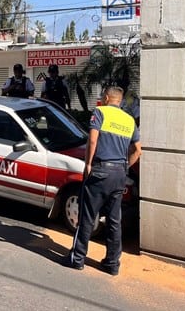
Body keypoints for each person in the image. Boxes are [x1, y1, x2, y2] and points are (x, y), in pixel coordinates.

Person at [69, 85, 141, 275]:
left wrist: (88, 165)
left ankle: (77, 258)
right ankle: (112, 264)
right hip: (119, 175)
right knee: (114, 220)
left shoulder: (100, 112)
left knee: (87, 215)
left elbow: (92, 140)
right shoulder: (129, 120)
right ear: (120, 100)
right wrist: (125, 167)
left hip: (100, 171)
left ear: (107, 98)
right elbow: (138, 150)